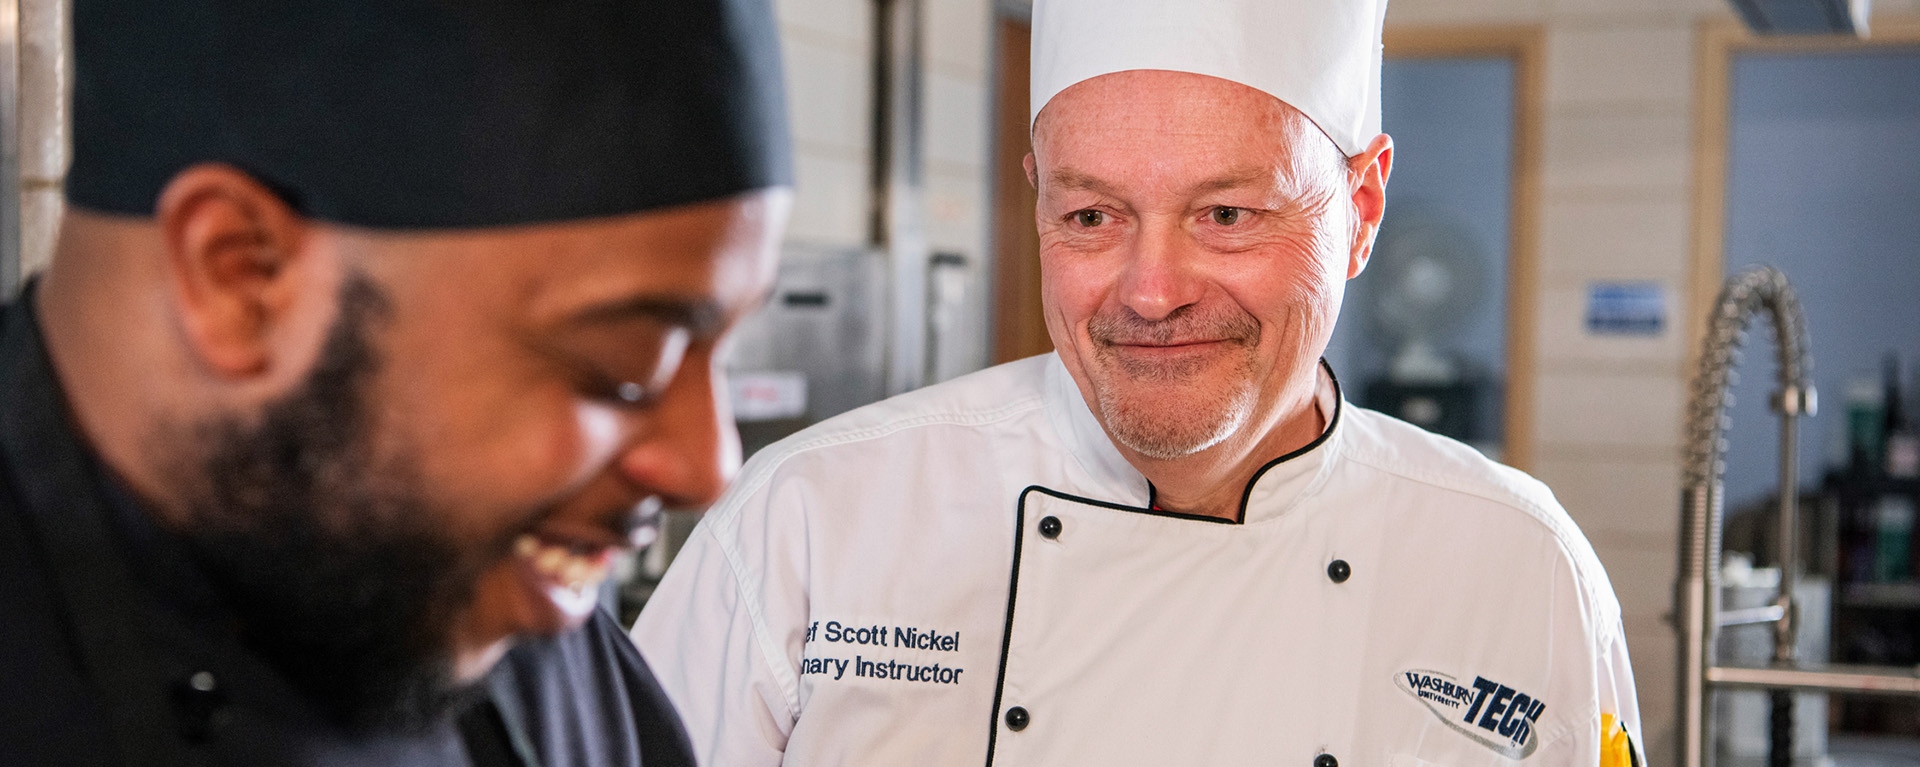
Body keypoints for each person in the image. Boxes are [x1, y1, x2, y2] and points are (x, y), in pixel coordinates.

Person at [633, 0, 1646, 764]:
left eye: (1227, 214)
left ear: (1364, 205)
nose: (1150, 293)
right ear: (1038, 200)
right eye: (1092, 217)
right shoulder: (803, 525)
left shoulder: (1523, 568)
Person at [0, 1, 790, 765]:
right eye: (622, 368)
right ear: (240, 277)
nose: (707, 466)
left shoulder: (527, 628)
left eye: (718, 347)